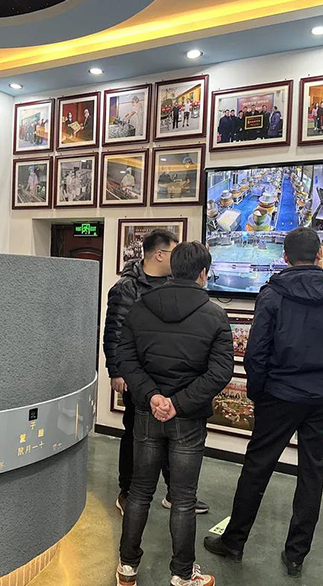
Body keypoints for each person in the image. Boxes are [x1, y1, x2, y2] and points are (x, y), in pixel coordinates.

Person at [204, 227, 323, 577]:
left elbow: (256, 352)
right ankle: (296, 555)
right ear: (319, 255)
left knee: (256, 468)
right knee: (312, 474)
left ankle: (234, 542)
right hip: (321, 397)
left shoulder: (272, 295)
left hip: (278, 394)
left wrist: (259, 391)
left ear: (285, 256)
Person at [116, 241, 233, 586]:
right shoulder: (215, 315)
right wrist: (178, 404)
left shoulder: (140, 308)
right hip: (188, 419)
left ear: (172, 268)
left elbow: (126, 360)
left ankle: (127, 567)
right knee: (183, 498)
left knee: (139, 492)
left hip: (146, 414)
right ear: (203, 273)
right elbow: (220, 372)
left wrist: (153, 397)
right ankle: (182, 574)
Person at [104, 230, 210, 517]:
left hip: (169, 375)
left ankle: (176, 493)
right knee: (134, 434)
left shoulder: (172, 284)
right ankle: (127, 491)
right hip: (138, 377)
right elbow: (114, 332)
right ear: (160, 254)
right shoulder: (126, 287)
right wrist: (117, 370)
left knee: (171, 434)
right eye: (174, 251)